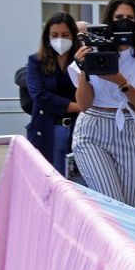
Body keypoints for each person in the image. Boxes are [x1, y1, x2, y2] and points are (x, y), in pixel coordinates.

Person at [68, 0, 135, 209]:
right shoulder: (92, 49)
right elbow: (83, 104)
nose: (124, 21)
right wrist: (85, 68)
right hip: (93, 131)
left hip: (131, 128)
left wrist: (121, 81)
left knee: (131, 208)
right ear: (108, 19)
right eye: (119, 16)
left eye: (130, 17)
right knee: (113, 204)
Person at [26, 12, 82, 174]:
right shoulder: (36, 61)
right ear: (47, 37)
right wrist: (79, 106)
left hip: (78, 131)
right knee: (51, 182)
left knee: (77, 184)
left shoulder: (82, 60)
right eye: (54, 35)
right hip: (48, 129)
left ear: (73, 36)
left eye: (65, 35)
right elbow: (39, 96)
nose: (60, 40)